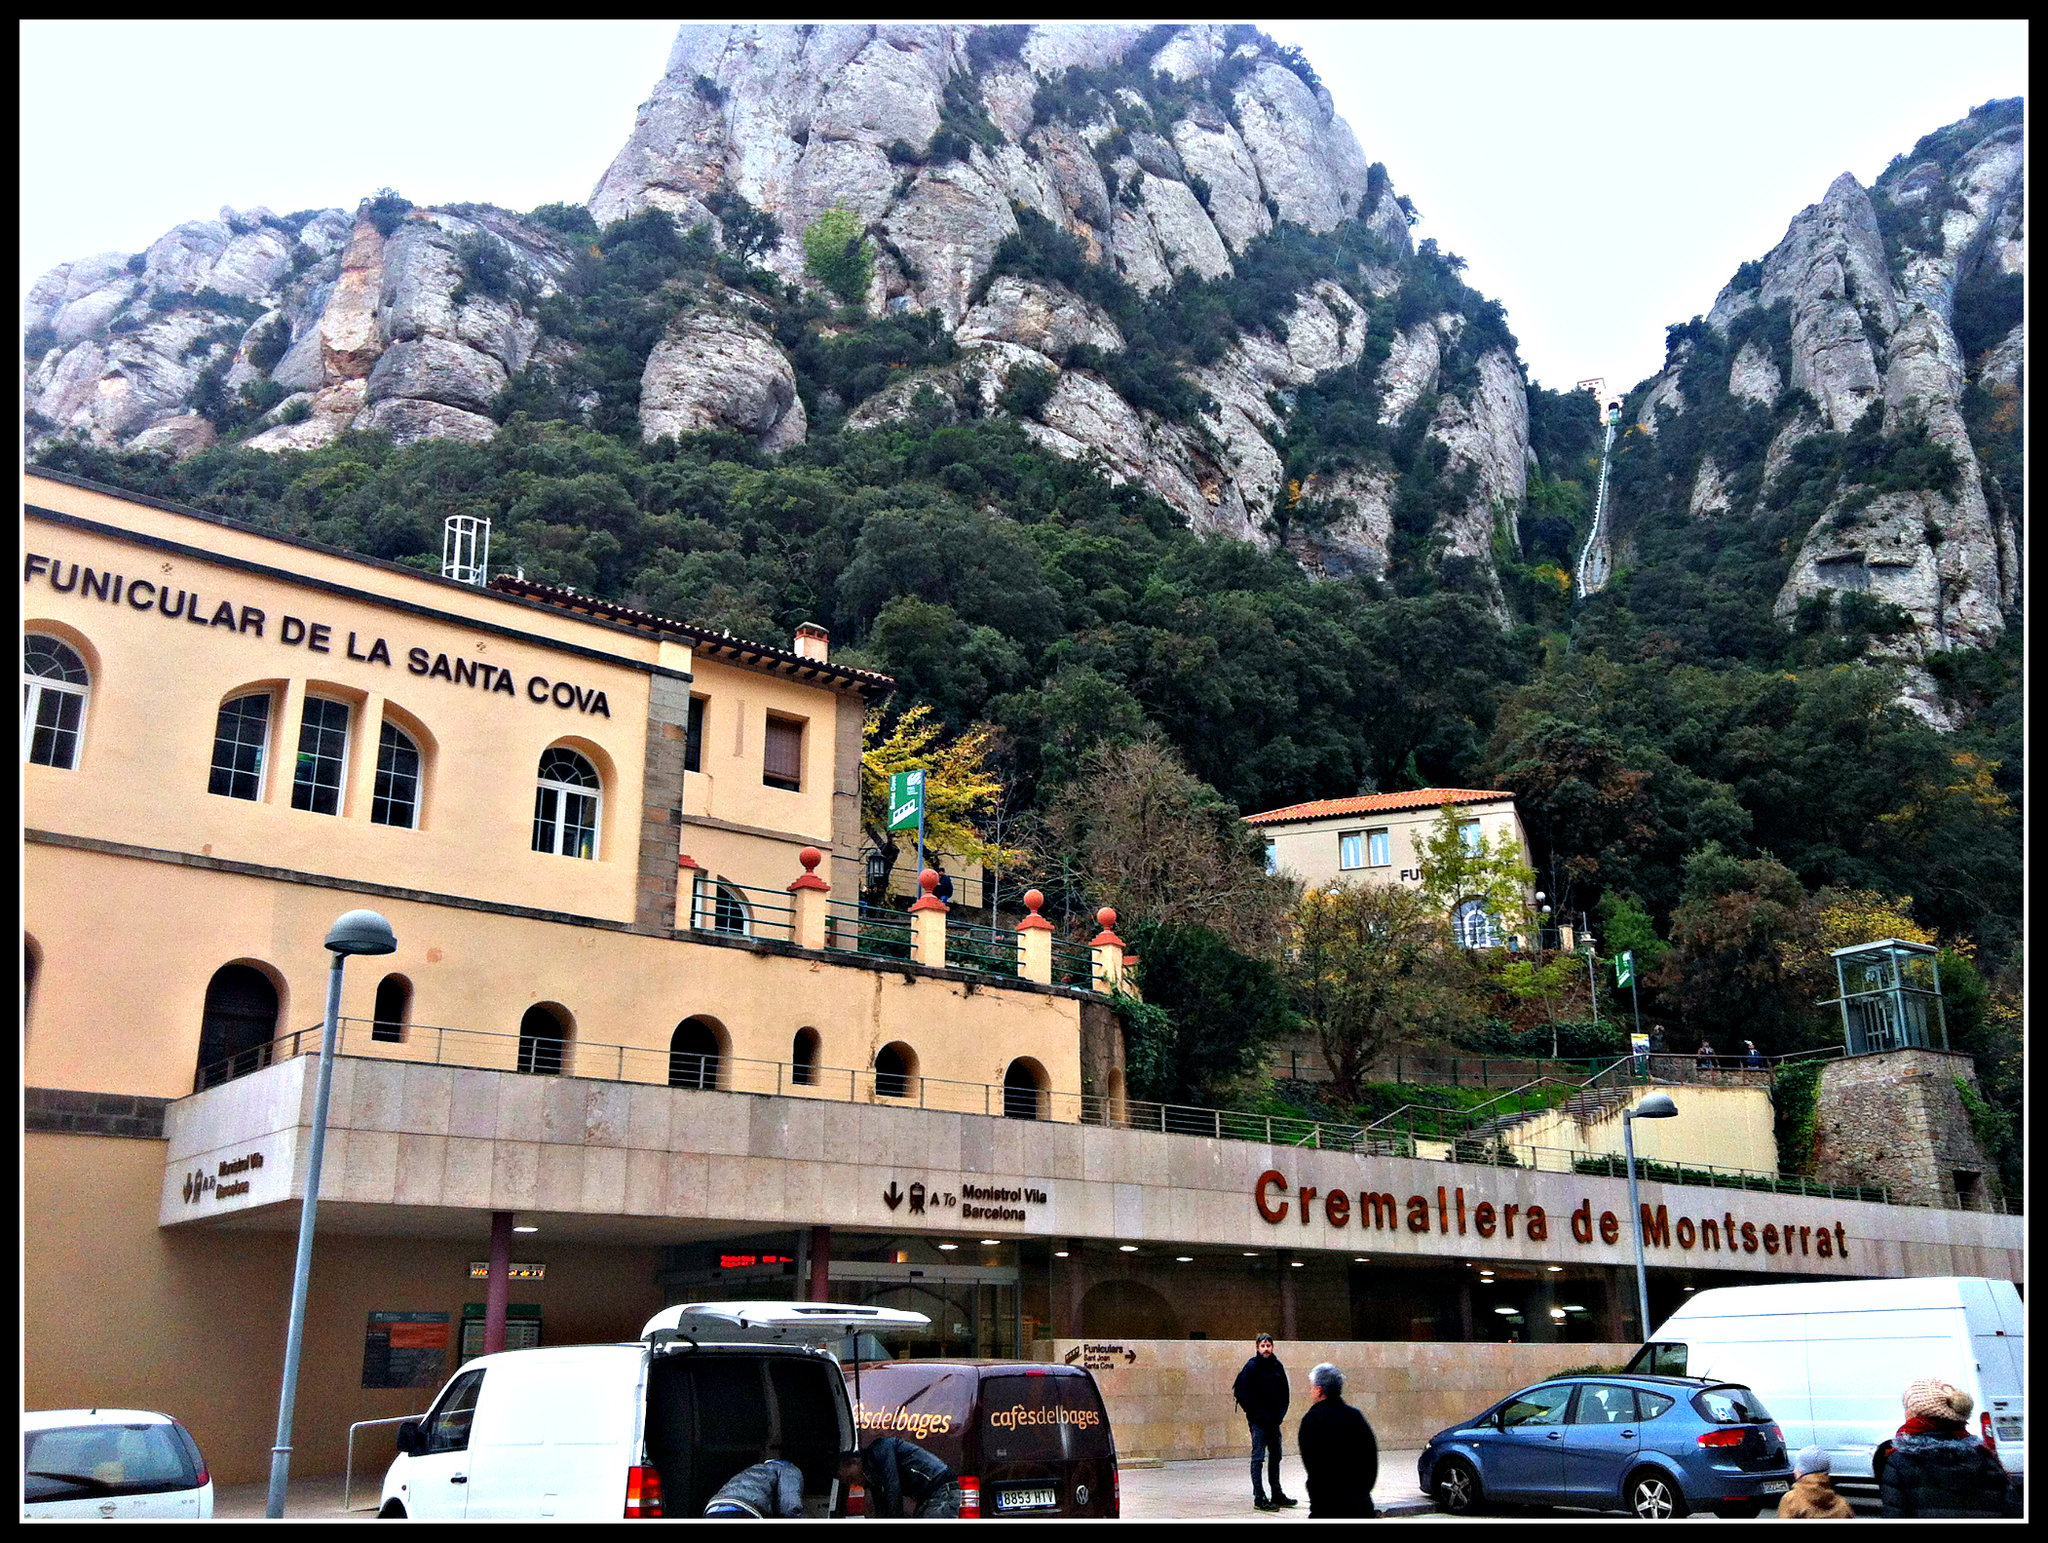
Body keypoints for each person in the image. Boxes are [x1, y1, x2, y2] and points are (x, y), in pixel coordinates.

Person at [1880, 1378, 2010, 1517]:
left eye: (1907, 1407)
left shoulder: (1899, 1461)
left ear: (1914, 1414)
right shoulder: (1986, 1458)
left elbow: (1894, 1514)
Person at [1295, 1362, 1376, 1518]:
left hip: (1327, 1507)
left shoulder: (1312, 1420)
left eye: (1312, 1387)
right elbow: (1370, 1462)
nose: (1310, 1390)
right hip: (1360, 1505)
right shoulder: (1355, 1417)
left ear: (1319, 1390)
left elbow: (1313, 1465)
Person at [1231, 1333, 1298, 1510]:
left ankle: (1276, 1493)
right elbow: (1242, 1393)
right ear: (1257, 1348)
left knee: (1276, 1456)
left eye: (1268, 1345)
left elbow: (1285, 1394)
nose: (1266, 1348)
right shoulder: (1251, 1367)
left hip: (1274, 1421)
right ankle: (1259, 1496)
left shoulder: (1277, 1366)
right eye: (1263, 1346)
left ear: (1272, 1347)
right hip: (1259, 1421)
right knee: (1258, 1458)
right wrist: (1255, 1415)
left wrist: (1279, 1415)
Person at [859, 1435, 960, 1518]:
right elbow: (881, 1504)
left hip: (940, 1487)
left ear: (853, 1462)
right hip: (931, 1492)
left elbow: (893, 1488)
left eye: (850, 1478)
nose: (854, 1483)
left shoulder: (881, 1450)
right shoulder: (873, 1470)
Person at [702, 1458, 805, 1517]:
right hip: (743, 1510)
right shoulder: (788, 1468)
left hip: (713, 1509)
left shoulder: (754, 1470)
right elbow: (790, 1504)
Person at [1778, 1445, 1855, 1518]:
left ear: (1801, 1472)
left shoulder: (1791, 1501)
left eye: (1797, 1466)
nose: (1794, 1471)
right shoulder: (1843, 1506)